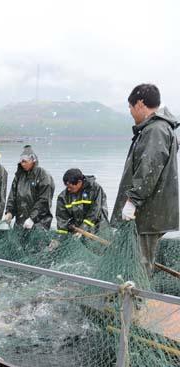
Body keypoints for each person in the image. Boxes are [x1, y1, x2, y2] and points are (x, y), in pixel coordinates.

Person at [111, 83, 179, 274]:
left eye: (131, 108)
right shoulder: (159, 128)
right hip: (151, 212)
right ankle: (133, 299)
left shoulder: (155, 130)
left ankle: (138, 302)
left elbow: (148, 171)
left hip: (149, 213)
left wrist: (132, 201)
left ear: (140, 104)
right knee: (138, 260)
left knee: (141, 264)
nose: (131, 113)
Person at [2, 145, 55, 230]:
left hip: (39, 222)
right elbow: (12, 196)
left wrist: (32, 218)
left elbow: (44, 201)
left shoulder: (43, 176)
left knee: (36, 240)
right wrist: (9, 212)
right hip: (20, 220)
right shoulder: (19, 176)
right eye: (21, 162)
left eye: (25, 161)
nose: (23, 164)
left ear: (33, 161)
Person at [55, 168, 108, 237]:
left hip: (98, 228)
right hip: (77, 230)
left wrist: (83, 228)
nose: (68, 189)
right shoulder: (63, 197)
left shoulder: (95, 189)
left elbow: (95, 212)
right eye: (67, 187)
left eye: (71, 187)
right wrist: (59, 238)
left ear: (79, 182)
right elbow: (62, 219)